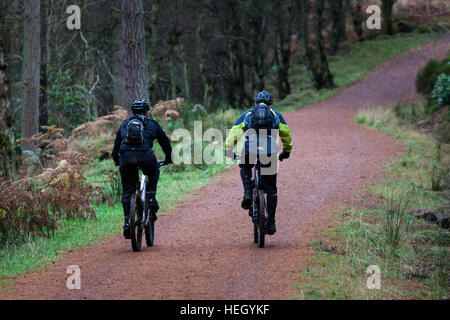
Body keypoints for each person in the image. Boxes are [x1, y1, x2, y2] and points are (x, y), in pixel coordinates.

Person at [224, 91, 292, 235]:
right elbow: (286, 134)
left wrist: (228, 150)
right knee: (272, 190)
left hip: (251, 149)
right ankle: (271, 223)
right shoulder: (275, 115)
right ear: (271, 105)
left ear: (255, 103)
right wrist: (286, 151)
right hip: (270, 152)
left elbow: (234, 133)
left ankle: (248, 193)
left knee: (245, 166)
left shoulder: (248, 114)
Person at [112, 99, 173, 239]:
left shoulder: (125, 124)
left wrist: (117, 161)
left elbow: (116, 148)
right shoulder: (152, 124)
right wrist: (169, 158)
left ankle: (127, 222)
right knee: (154, 172)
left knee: (127, 191)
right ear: (147, 113)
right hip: (146, 156)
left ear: (132, 112)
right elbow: (165, 143)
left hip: (126, 157)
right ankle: (151, 198)